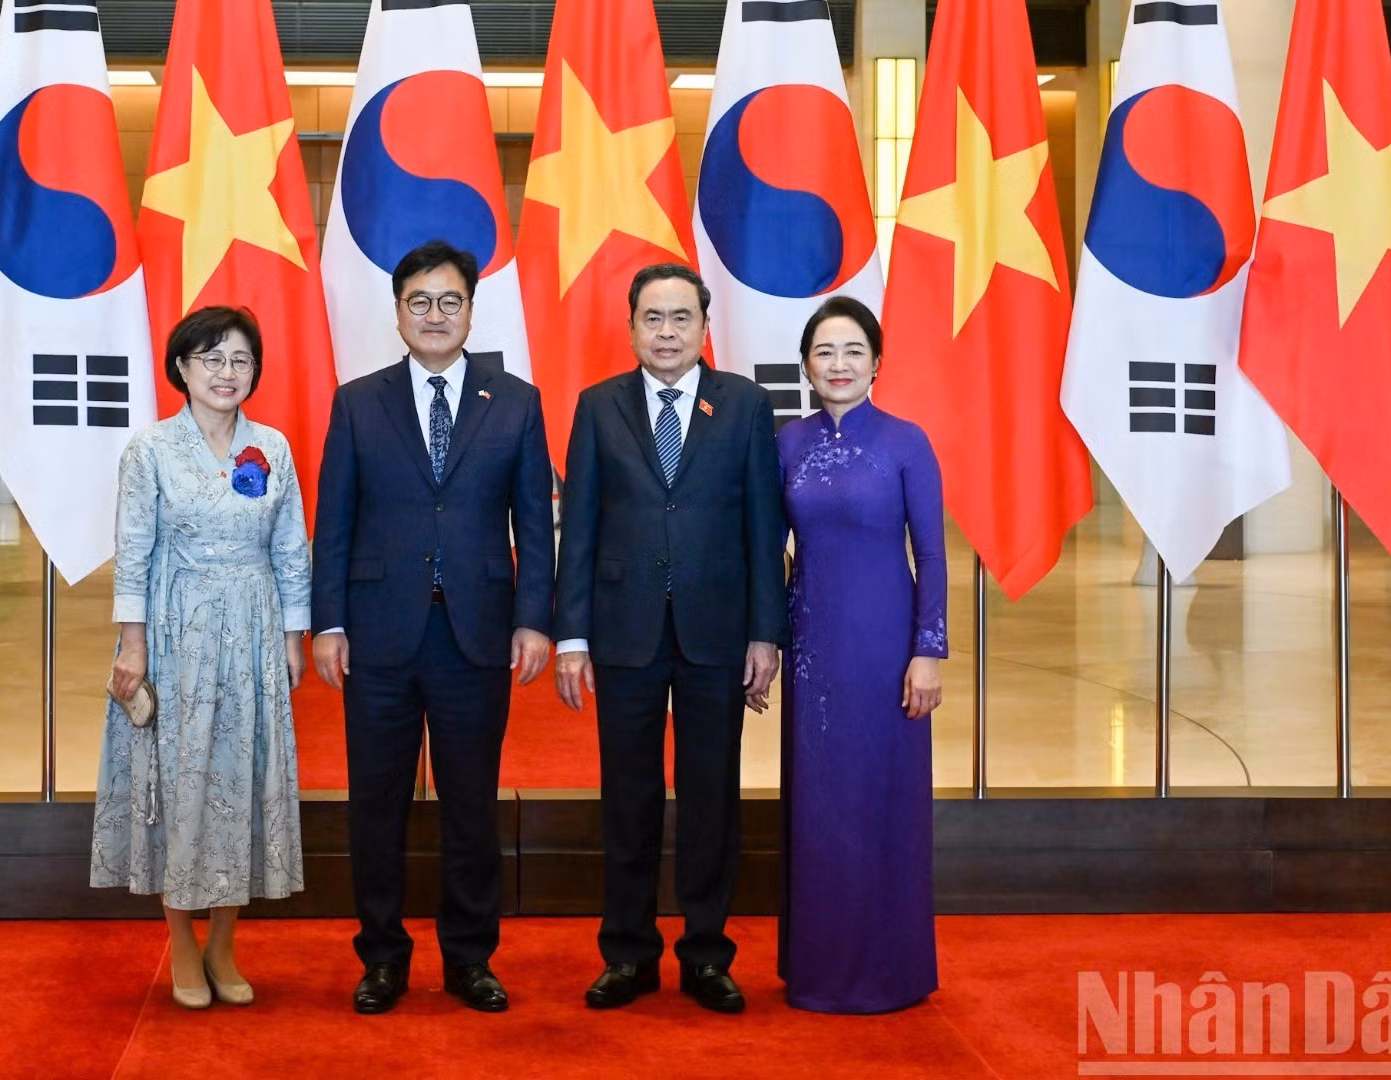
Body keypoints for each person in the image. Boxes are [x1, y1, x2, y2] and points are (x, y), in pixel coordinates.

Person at [311, 240, 555, 1015]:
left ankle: (469, 958)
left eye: (449, 301)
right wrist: (328, 622)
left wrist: (534, 620)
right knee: (375, 805)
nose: (435, 315)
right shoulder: (358, 401)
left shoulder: (514, 401)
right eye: (419, 301)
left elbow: (535, 528)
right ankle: (381, 956)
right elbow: (335, 523)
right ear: (397, 313)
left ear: (471, 310)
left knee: (471, 806)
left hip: (477, 635)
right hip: (379, 635)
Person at [554, 263, 787, 1014]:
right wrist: (571, 636)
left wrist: (764, 633)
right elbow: (579, 529)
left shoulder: (746, 406)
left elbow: (763, 526)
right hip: (623, 635)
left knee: (712, 798)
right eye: (652, 318)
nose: (666, 332)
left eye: (680, 317)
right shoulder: (597, 408)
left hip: (717, 633)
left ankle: (707, 955)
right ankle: (627, 954)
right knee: (628, 798)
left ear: (704, 325)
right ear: (631, 328)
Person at [91, 306, 310, 1011]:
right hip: (175, 630)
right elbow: (133, 552)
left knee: (240, 782)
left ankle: (224, 941)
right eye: (211, 358)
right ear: (181, 367)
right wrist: (132, 646)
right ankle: (181, 940)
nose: (226, 372)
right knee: (180, 787)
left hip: (252, 628)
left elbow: (289, 550)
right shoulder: (151, 450)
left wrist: (293, 638)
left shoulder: (271, 448)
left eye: (241, 359)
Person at [777, 295, 947, 1014]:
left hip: (886, 650)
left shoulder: (908, 442)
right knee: (819, 805)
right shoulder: (785, 443)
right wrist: (765, 640)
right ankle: (819, 969)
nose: (839, 364)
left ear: (877, 362)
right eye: (825, 352)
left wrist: (928, 650)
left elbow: (932, 554)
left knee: (883, 800)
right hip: (813, 651)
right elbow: (766, 549)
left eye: (853, 351)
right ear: (807, 366)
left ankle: (891, 969)